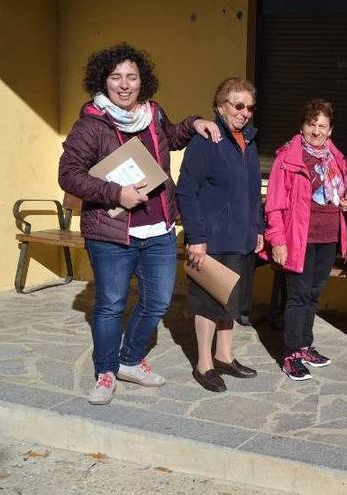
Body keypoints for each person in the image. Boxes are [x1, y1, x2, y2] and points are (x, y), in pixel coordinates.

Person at [57, 43, 220, 405]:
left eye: (132, 76)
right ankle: (105, 372)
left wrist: (195, 123)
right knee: (111, 304)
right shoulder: (91, 125)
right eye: (116, 77)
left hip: (159, 230)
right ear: (104, 81)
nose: (125, 84)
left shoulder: (153, 114)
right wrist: (116, 193)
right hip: (112, 234)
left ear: (142, 80)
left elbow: (171, 139)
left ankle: (129, 359)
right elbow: (68, 175)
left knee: (158, 301)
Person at [176, 77, 263, 393]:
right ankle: (204, 363)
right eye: (238, 106)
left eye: (250, 107)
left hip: (240, 236)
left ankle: (224, 355)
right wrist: (196, 236)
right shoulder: (205, 142)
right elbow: (186, 191)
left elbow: (253, 193)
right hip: (211, 238)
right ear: (220, 106)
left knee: (231, 299)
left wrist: (258, 228)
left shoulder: (248, 142)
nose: (245, 113)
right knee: (209, 301)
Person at [263, 99, 347, 381]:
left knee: (313, 294)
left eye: (322, 126)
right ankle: (291, 353)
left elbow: (341, 192)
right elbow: (274, 204)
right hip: (298, 238)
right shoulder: (287, 158)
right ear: (302, 126)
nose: (316, 130)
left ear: (330, 130)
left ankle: (304, 345)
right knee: (298, 296)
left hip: (327, 236)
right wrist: (277, 239)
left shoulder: (335, 157)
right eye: (311, 124)